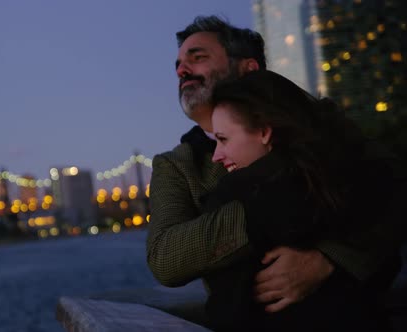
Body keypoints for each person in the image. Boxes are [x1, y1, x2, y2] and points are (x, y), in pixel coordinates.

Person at [146, 15, 406, 329]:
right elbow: (166, 259)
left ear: (248, 69)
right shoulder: (176, 165)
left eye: (197, 57)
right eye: (177, 65)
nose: (181, 70)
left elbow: (392, 189)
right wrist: (266, 209)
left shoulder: (320, 121)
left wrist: (330, 259)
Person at [202, 69, 399, 331]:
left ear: (264, 131)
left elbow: (228, 312)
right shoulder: (353, 178)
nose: (216, 156)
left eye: (223, 139)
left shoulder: (238, 196)